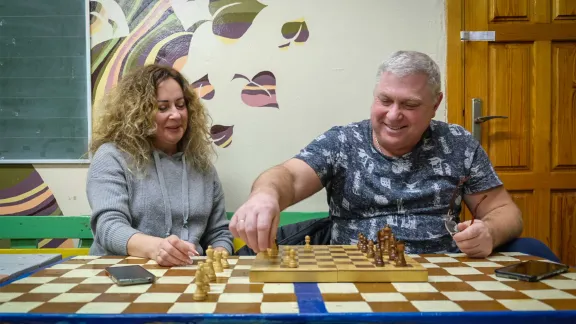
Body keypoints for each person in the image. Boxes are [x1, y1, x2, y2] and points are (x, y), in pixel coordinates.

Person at [229, 50, 524, 258]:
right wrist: (265, 196)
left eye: (409, 104)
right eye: (385, 100)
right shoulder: (343, 141)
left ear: (435, 105)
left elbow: (505, 212)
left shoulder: (458, 143)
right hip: (353, 279)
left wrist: (489, 232)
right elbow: (289, 176)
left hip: (438, 280)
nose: (393, 115)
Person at [87, 64, 234, 266]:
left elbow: (218, 233)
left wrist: (220, 253)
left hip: (186, 275)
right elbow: (109, 228)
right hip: (121, 274)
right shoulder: (111, 157)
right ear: (138, 112)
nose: (176, 115)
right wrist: (157, 248)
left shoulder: (202, 166)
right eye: (162, 107)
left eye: (181, 105)